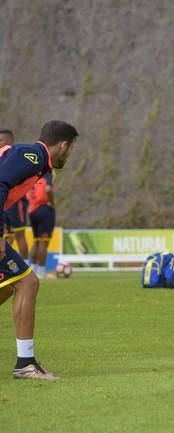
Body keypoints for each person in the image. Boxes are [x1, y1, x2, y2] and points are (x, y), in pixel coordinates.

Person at [0, 120, 78, 380]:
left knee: (13, 283)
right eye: (71, 149)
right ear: (63, 145)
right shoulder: (32, 157)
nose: (69, 155)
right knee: (27, 283)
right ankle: (25, 364)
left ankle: (25, 363)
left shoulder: (33, 160)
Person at [0, 130, 29, 260]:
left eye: (0, 140)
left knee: (19, 234)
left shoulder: (16, 156)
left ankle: (27, 265)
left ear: (9, 141)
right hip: (4, 202)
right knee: (7, 236)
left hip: (16, 202)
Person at [27, 172, 56, 278]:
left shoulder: (32, 172)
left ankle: (33, 270)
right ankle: (41, 271)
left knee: (36, 241)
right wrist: (52, 203)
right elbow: (48, 189)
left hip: (32, 210)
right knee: (44, 242)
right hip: (44, 209)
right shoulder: (48, 172)